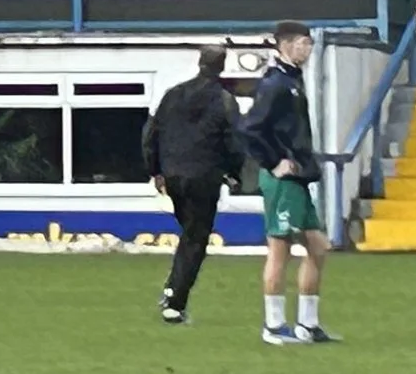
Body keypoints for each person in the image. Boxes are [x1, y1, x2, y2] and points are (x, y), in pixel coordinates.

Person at [243, 19, 334, 344]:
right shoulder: (275, 84)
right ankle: (273, 325)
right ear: (285, 45)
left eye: (309, 43)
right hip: (282, 180)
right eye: (303, 43)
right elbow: (250, 128)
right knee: (279, 249)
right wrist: (274, 161)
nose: (308, 49)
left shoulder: (292, 80)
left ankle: (307, 325)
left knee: (318, 248)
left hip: (299, 178)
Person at [143, 45, 244, 325]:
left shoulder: (172, 95)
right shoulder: (225, 100)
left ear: (199, 62)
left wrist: (155, 171)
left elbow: (151, 134)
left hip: (173, 176)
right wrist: (234, 174)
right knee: (195, 238)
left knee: (190, 234)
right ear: (222, 66)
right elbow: (234, 141)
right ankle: (174, 300)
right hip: (204, 177)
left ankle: (172, 289)